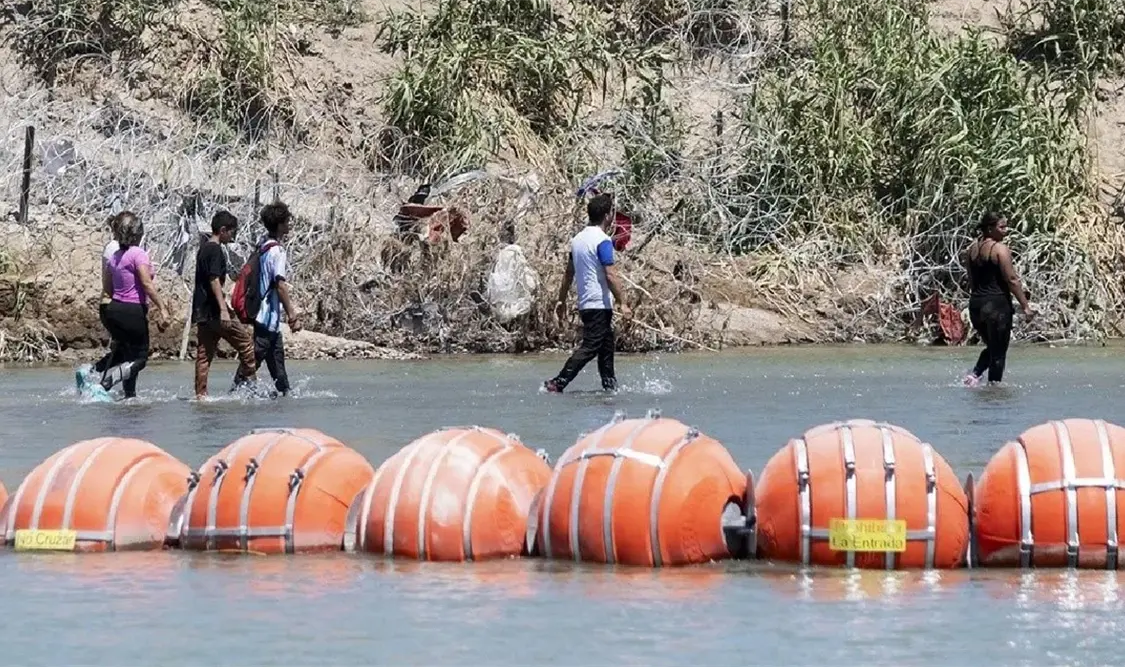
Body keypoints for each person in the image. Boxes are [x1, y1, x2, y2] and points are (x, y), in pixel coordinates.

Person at [543, 193, 632, 393]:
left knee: (606, 347)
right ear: (608, 215)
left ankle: (610, 387)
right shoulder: (602, 241)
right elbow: (610, 274)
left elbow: (568, 273)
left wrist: (561, 300)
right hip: (598, 304)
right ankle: (559, 382)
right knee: (591, 346)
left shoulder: (577, 240)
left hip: (586, 304)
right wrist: (623, 302)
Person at [99, 212, 171, 398]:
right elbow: (147, 284)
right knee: (140, 358)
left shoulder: (115, 255)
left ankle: (129, 395)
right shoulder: (138, 254)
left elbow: (107, 286)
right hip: (133, 311)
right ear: (138, 235)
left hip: (114, 309)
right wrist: (162, 308)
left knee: (128, 356)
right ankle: (108, 382)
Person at [962, 211, 1035, 386]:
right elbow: (1011, 280)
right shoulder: (1000, 249)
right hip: (997, 307)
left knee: (994, 348)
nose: (1006, 231)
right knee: (999, 353)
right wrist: (1025, 306)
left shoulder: (971, 250)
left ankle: (974, 376)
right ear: (990, 228)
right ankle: (994, 392)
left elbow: (971, 281)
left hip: (976, 306)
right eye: (1001, 227)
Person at [192, 210, 258, 399]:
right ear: (222, 230)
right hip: (215, 310)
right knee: (246, 345)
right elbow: (213, 280)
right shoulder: (214, 249)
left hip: (203, 311)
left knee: (204, 355)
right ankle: (250, 389)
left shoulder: (204, 248)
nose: (232, 236)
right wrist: (223, 309)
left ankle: (200, 396)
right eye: (231, 232)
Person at [247, 202, 303, 396]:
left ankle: (286, 394)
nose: (289, 225)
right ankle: (235, 392)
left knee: (276, 360)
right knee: (253, 359)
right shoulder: (277, 251)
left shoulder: (263, 247)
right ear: (279, 225)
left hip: (268, 318)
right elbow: (280, 285)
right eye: (287, 221)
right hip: (266, 316)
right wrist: (292, 314)